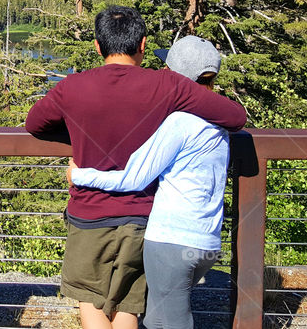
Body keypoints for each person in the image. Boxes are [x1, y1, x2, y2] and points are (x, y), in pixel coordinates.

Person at [25, 7, 247, 329]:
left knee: (90, 299)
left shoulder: (72, 87)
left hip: (89, 212)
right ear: (143, 44)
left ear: (98, 47)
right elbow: (235, 117)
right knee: (130, 304)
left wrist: (77, 131)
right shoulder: (168, 85)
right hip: (145, 216)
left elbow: (35, 124)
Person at [69, 35, 233, 329]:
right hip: (207, 242)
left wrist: (79, 175)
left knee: (172, 322)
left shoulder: (180, 123)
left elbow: (135, 177)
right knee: (156, 319)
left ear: (175, 77)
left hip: (171, 242)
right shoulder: (219, 124)